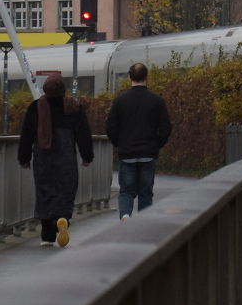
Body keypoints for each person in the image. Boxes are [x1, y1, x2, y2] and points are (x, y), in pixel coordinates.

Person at [18, 75, 93, 247]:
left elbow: (26, 136)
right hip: (66, 156)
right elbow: (83, 134)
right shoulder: (74, 107)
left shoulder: (35, 108)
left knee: (45, 192)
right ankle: (63, 219)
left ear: (45, 88)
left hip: (43, 158)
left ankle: (47, 235)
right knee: (66, 190)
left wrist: (24, 158)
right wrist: (87, 156)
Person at [105, 62, 172, 219]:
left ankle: (126, 214)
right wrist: (156, 144)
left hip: (127, 153)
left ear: (130, 78)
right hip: (148, 153)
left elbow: (110, 127)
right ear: (147, 77)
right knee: (145, 193)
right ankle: (143, 222)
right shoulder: (157, 100)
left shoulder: (120, 101)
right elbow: (166, 128)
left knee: (126, 190)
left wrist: (119, 143)